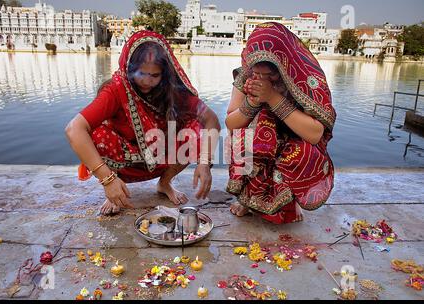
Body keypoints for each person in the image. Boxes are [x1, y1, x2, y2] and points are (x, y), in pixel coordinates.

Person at [65, 30, 220, 215]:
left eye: (155, 75)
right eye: (141, 73)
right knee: (98, 135)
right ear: (130, 67)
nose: (147, 81)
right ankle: (115, 190)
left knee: (195, 130)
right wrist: (107, 180)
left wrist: (204, 162)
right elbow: (74, 129)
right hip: (126, 158)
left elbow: (211, 120)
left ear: (164, 73)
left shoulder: (173, 90)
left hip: (161, 154)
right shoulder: (116, 89)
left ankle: (164, 183)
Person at [225, 22, 336, 224]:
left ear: (285, 65)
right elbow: (232, 123)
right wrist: (251, 102)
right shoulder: (246, 76)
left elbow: (315, 134)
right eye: (256, 73)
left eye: (271, 75)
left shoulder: (303, 77)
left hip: (291, 143)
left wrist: (273, 97)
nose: (261, 79)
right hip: (259, 144)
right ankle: (247, 199)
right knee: (241, 139)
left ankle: (290, 199)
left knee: (305, 151)